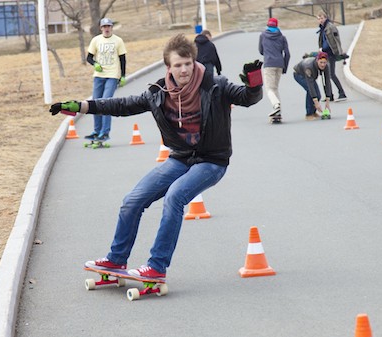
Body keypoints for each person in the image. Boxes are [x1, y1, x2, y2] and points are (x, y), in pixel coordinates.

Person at [49, 34, 263, 279]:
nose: (184, 70)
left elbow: (248, 98)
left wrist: (254, 84)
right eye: (178, 65)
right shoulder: (158, 93)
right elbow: (122, 105)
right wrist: (83, 106)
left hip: (212, 161)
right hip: (180, 158)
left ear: (194, 62)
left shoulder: (216, 85)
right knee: (133, 200)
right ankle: (116, 260)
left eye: (188, 64)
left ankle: (156, 266)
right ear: (168, 67)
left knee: (175, 197)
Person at [85, 17, 127, 141]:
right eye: (104, 27)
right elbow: (89, 57)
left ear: (111, 28)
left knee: (106, 102)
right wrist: (95, 64)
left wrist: (123, 76)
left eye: (109, 26)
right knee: (95, 103)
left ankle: (105, 132)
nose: (107, 29)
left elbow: (123, 59)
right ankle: (96, 131)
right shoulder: (96, 40)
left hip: (112, 75)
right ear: (101, 28)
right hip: (99, 76)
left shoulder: (118, 41)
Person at [258, 17, 290, 120]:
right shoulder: (282, 37)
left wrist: (268, 52)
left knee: (269, 88)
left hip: (269, 63)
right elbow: (288, 54)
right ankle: (278, 112)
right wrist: (284, 66)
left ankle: (276, 105)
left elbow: (261, 50)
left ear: (268, 25)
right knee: (275, 88)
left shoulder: (263, 36)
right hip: (279, 64)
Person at [317, 11, 347, 102]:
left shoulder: (330, 27)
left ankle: (342, 93)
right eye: (319, 18)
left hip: (331, 53)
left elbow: (336, 40)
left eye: (322, 18)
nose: (320, 20)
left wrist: (339, 52)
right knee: (326, 74)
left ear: (326, 18)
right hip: (325, 54)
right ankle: (329, 95)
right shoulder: (323, 28)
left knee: (331, 74)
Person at [293, 52, 332, 121]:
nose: (323, 65)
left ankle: (313, 112)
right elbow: (310, 86)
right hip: (299, 74)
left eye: (324, 62)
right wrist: (316, 103)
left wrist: (328, 101)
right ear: (317, 60)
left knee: (318, 96)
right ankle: (308, 114)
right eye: (321, 62)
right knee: (310, 91)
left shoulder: (327, 66)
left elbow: (327, 82)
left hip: (311, 76)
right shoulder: (309, 67)